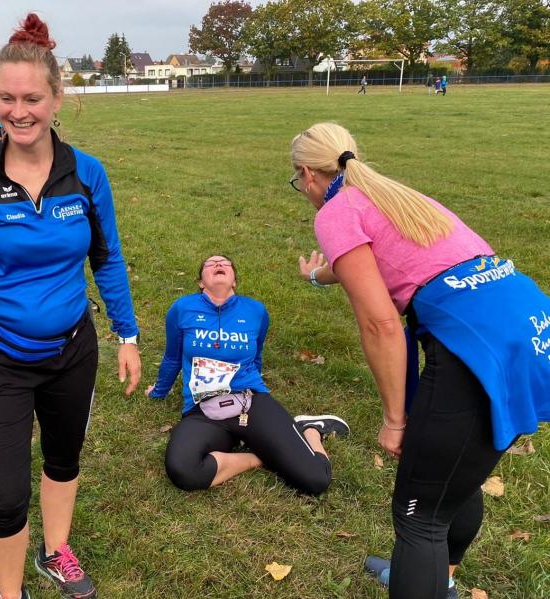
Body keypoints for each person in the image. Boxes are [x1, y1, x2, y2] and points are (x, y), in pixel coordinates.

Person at [0, 13, 141, 599]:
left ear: (57, 99)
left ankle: (56, 551)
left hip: (72, 353)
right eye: (7, 98)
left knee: (64, 459)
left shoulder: (87, 175)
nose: (19, 112)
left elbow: (107, 258)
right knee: (5, 497)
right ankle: (11, 594)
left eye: (32, 98)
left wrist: (128, 335)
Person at [289, 122, 550, 599]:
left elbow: (381, 325)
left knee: (419, 516)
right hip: (530, 327)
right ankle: (440, 580)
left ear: (307, 174)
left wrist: (394, 419)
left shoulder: (335, 210)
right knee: (455, 476)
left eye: (297, 181)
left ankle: (426, 576)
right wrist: (315, 276)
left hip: (477, 344)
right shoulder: (393, 195)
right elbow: (359, 263)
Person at [146, 255, 349, 493]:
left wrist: (255, 389)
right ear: (201, 282)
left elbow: (256, 357)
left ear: (234, 280)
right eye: (210, 264)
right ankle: (259, 457)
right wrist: (159, 391)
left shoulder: (255, 311)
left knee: (316, 480)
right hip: (202, 410)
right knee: (183, 470)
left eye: (225, 263)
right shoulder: (182, 308)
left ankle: (311, 430)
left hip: (251, 403)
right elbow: (172, 357)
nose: (218, 264)